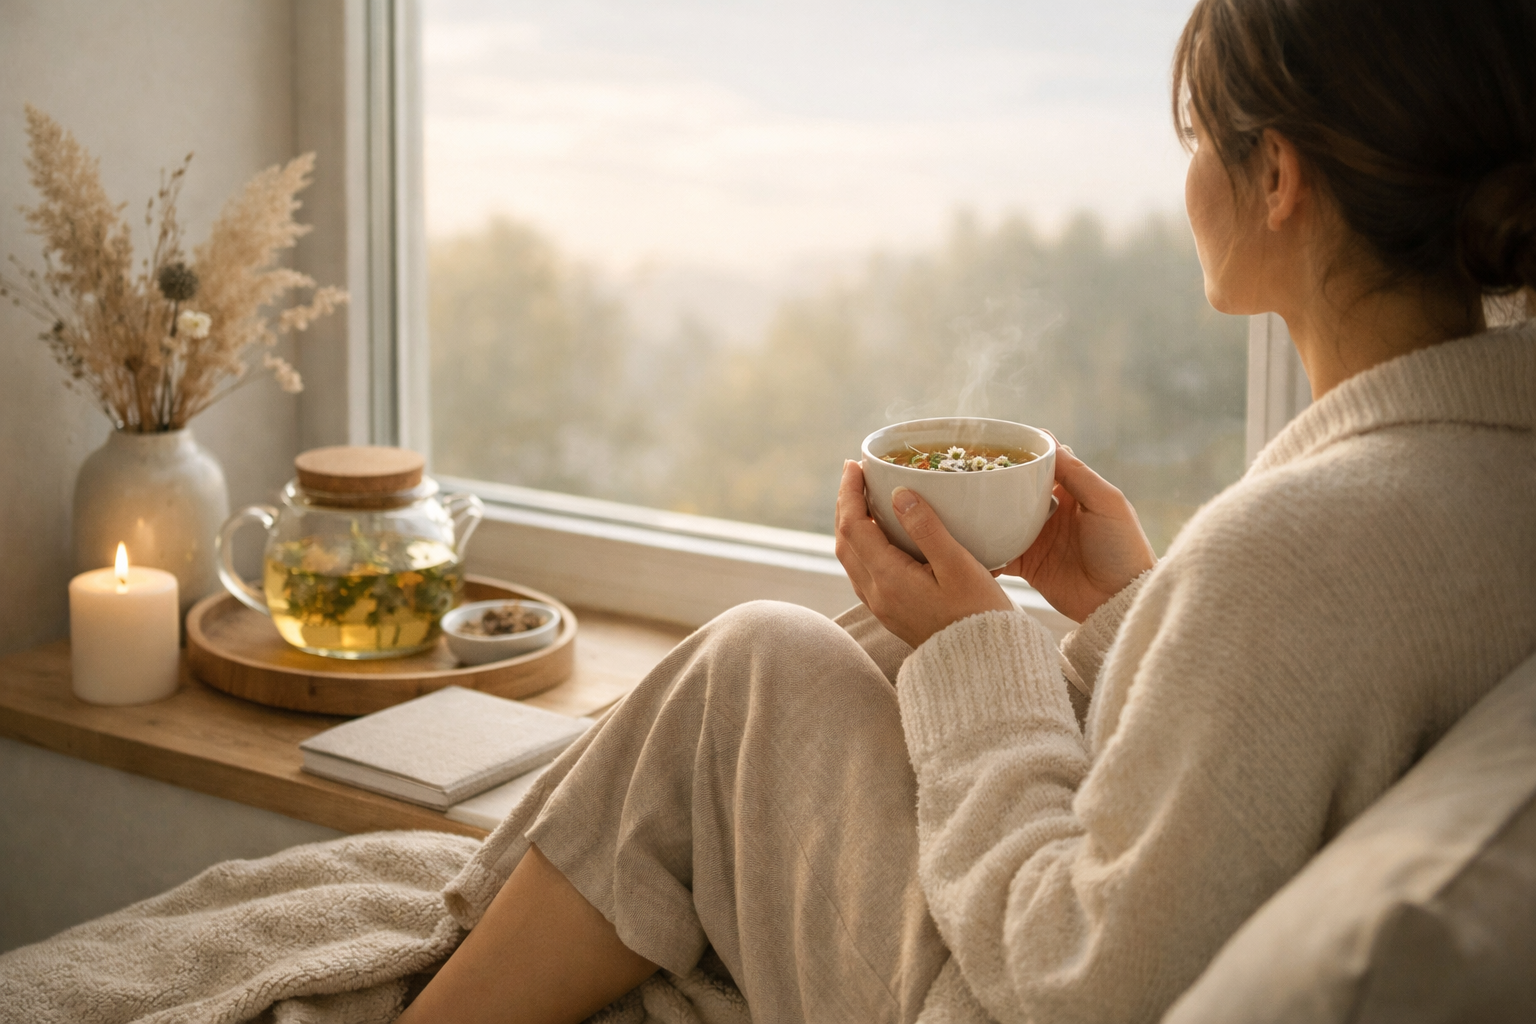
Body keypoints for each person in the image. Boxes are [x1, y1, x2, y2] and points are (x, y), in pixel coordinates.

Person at [399, 0, 1536, 1021]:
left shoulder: (1303, 543)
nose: (1187, 172)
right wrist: (1131, 609)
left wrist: (987, 650)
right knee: (881, 646)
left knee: (750, 664)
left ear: (1278, 177)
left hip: (1002, 999)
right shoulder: (1482, 479)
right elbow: (1258, 756)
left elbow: (1078, 972)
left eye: (1197, 139)